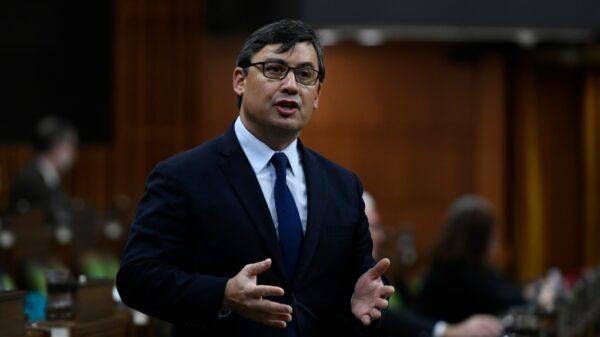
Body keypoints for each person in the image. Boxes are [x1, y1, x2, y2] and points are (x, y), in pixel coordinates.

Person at [116, 19, 394, 337]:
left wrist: (363, 300)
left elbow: (361, 279)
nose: (291, 85)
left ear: (316, 94)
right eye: (275, 69)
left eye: (305, 75)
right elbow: (137, 278)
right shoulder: (182, 177)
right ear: (240, 80)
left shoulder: (343, 186)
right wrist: (222, 294)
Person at [363, 192, 504, 337]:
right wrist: (447, 331)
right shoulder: (451, 268)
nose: (382, 236)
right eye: (374, 226)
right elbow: (385, 318)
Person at [416, 195, 525, 324]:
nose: (496, 246)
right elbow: (499, 297)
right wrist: (530, 293)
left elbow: (503, 287)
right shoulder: (453, 273)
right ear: (478, 241)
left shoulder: (468, 267)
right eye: (493, 239)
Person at [8, 116, 78, 224]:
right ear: (56, 147)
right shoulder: (30, 178)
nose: (73, 154)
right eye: (70, 147)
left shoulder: (49, 175)